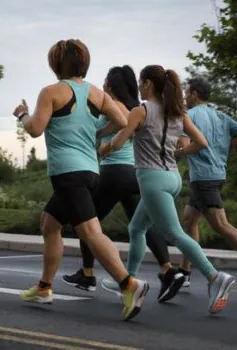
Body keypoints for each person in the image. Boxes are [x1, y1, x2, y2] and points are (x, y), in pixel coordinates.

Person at [12, 39, 149, 321]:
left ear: (55, 63)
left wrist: (23, 114)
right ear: (83, 63)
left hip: (68, 173)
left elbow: (36, 129)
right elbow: (123, 122)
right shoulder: (97, 94)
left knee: (90, 232)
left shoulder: (51, 92)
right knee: (49, 224)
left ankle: (129, 284)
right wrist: (94, 135)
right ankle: (44, 287)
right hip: (90, 171)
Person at [98, 65, 235, 315]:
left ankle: (216, 277)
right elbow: (201, 143)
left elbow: (119, 140)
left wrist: (103, 150)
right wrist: (178, 152)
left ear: (148, 84)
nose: (138, 86)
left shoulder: (141, 111)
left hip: (152, 179)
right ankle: (129, 281)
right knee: (136, 228)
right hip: (172, 178)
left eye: (141, 82)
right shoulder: (177, 113)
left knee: (174, 233)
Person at [61, 65, 184, 303]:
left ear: (113, 86)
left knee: (86, 221)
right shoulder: (135, 107)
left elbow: (117, 123)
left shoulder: (115, 106)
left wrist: (100, 134)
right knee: (142, 227)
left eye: (107, 82)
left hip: (114, 172)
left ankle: (87, 275)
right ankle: (168, 270)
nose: (104, 85)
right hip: (134, 174)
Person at [178, 77, 237, 293]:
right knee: (188, 220)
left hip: (203, 177)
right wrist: (224, 148)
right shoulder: (221, 116)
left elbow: (184, 145)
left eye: (187, 93)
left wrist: (174, 154)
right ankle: (185, 272)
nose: (185, 97)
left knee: (220, 224)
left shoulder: (190, 116)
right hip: (217, 174)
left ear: (194, 94)